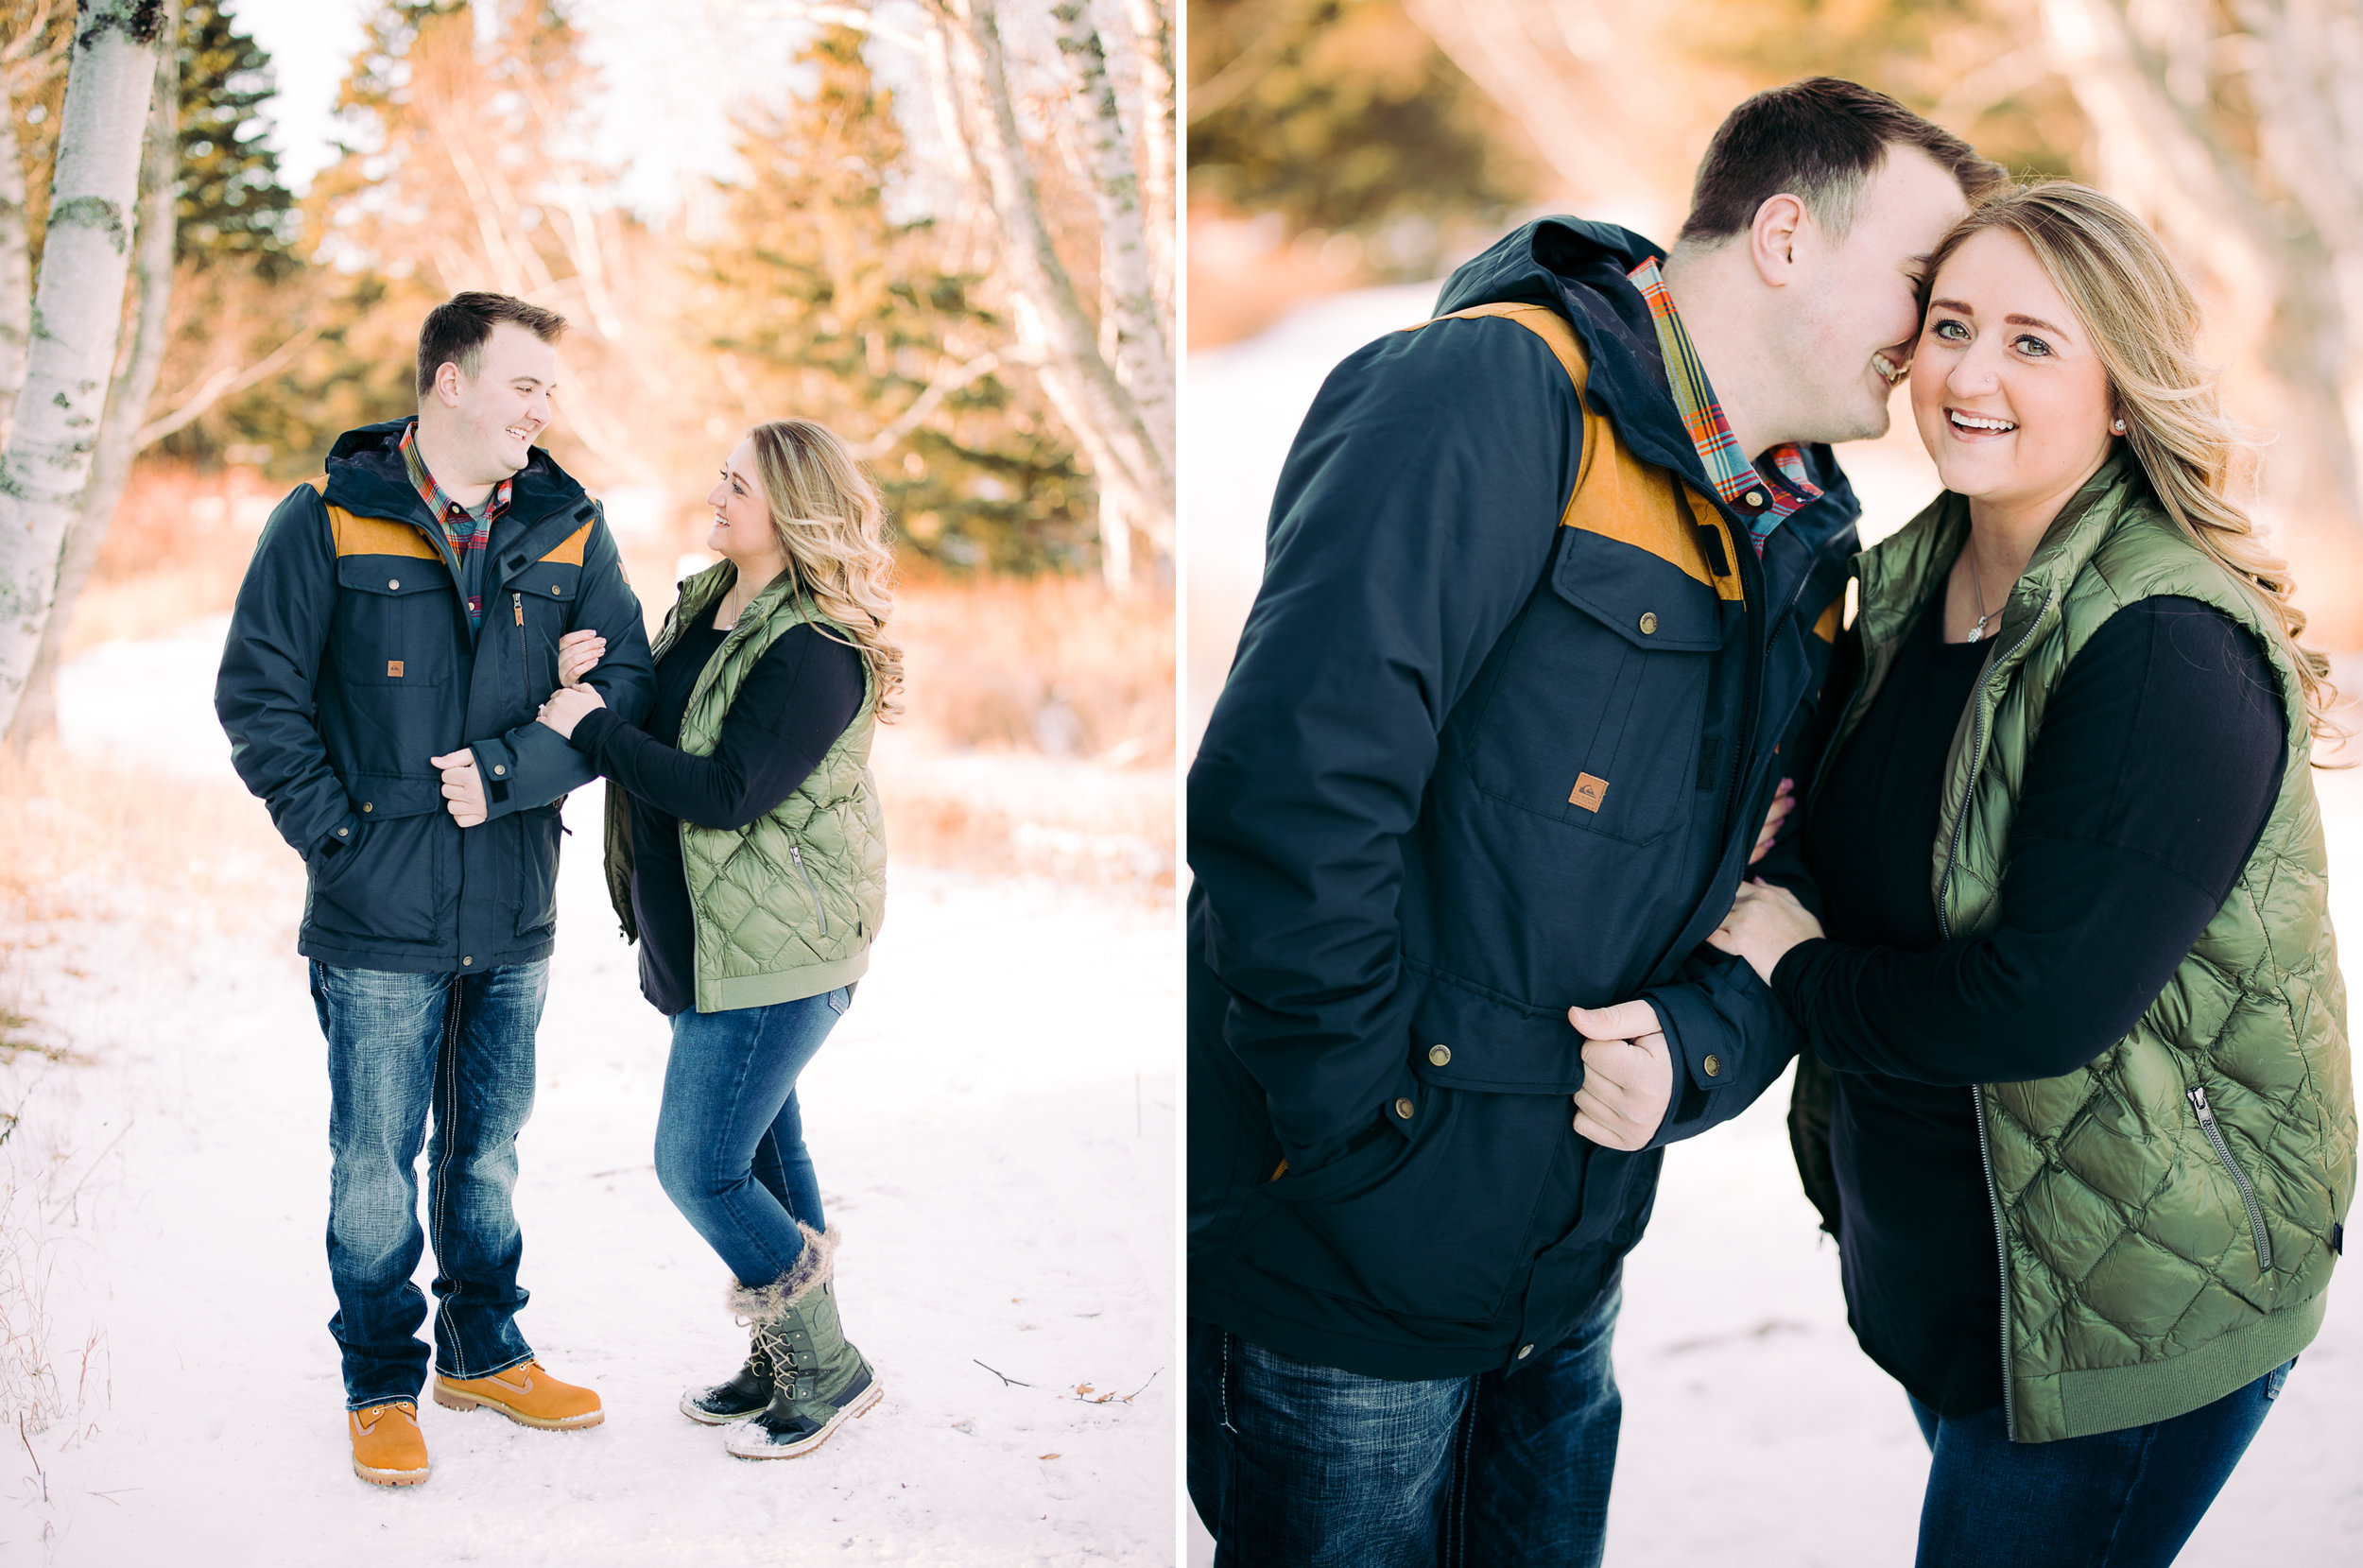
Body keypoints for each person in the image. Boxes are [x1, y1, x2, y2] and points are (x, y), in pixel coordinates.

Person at [1186, 78, 2005, 1563]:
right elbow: (1290, 797)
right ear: (1779, 235)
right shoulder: (1491, 396)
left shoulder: (1801, 532)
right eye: (1917, 280)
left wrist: (1699, 1049)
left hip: (1567, 1257)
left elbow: (1787, 872)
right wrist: (1359, 1132)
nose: (1930, 332)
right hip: (1352, 1251)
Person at [1705, 182, 2354, 1567]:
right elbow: (1854, 849)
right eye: (1950, 325)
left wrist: (1793, 969)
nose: (1970, 373)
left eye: (2033, 342)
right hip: (1966, 1278)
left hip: (2131, 1299)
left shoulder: (2166, 647)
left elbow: (2039, 1001)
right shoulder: (1898, 588)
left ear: (2125, 389)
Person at [215, 292, 656, 1487]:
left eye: (550, 391)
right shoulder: (325, 522)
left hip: (513, 901)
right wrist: (338, 840)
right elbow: (259, 696)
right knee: (374, 1160)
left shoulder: (570, 528)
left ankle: (483, 1347)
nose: (543, 409)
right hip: (378, 908)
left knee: (489, 1149)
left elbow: (625, 677)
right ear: (450, 383)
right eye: (525, 385)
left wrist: (512, 772)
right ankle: (378, 1379)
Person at [534, 418, 895, 1460]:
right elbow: (662, 712)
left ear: (788, 507)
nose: (715, 495)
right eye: (721, 478)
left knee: (699, 1165)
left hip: (781, 949)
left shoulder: (815, 646)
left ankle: (823, 1366)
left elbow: (728, 793)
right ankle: (791, 1349)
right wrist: (595, 675)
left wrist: (588, 731)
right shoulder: (711, 600)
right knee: (767, 1152)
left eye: (735, 485)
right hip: (711, 938)